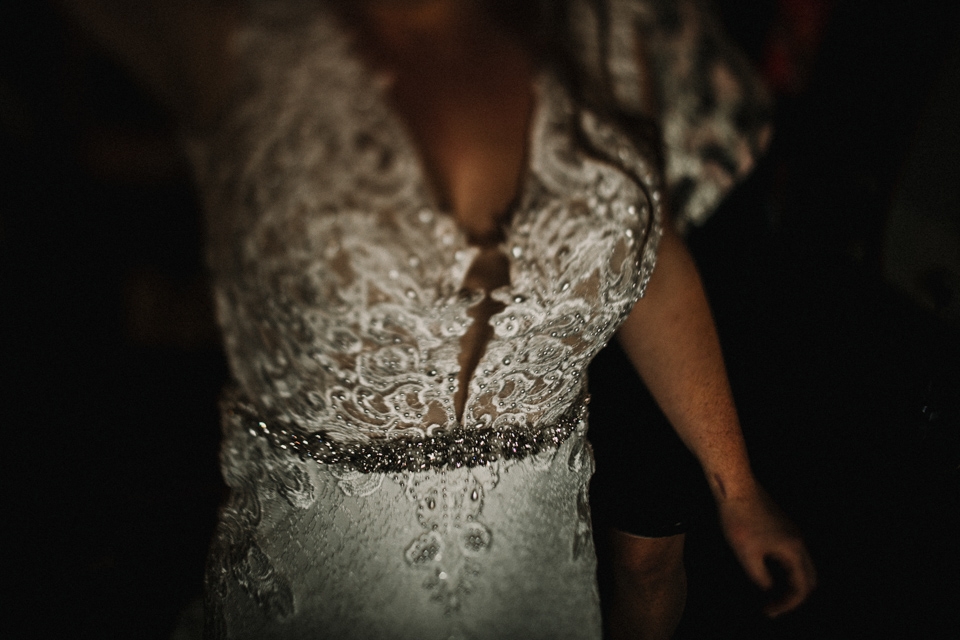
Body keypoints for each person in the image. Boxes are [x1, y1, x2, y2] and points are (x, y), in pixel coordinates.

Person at [62, 1, 815, 638]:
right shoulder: (227, 34)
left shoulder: (596, 32)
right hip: (325, 586)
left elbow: (651, 252)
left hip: (538, 575)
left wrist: (737, 487)